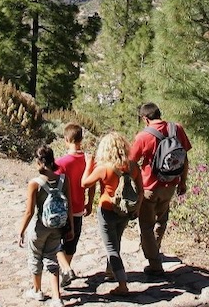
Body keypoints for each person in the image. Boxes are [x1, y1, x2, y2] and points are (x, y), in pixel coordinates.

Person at [128, 102, 191, 277]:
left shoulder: (143, 136)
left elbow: (131, 162)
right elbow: (185, 159)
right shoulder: (176, 128)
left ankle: (155, 264)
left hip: (149, 187)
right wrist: (183, 182)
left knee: (146, 226)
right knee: (161, 221)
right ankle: (155, 249)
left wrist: (135, 184)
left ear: (145, 118)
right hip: (170, 184)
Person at [81, 132, 142, 296]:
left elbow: (84, 183)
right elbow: (141, 191)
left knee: (111, 248)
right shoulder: (134, 166)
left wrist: (88, 164)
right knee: (116, 241)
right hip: (124, 211)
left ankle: (122, 285)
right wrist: (136, 208)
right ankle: (110, 271)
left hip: (107, 210)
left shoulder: (103, 168)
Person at [16, 146, 70, 306]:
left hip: (39, 227)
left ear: (39, 162)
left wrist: (21, 231)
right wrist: (70, 227)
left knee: (35, 258)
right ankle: (56, 297)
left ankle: (37, 290)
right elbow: (70, 205)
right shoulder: (63, 180)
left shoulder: (35, 183)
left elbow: (29, 212)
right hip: (57, 227)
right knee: (51, 258)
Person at [53, 123, 93, 285]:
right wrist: (90, 202)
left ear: (66, 140)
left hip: (62, 209)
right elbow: (91, 183)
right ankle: (66, 270)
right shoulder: (88, 160)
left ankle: (66, 270)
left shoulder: (61, 163)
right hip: (78, 208)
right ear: (81, 139)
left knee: (54, 242)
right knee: (71, 243)